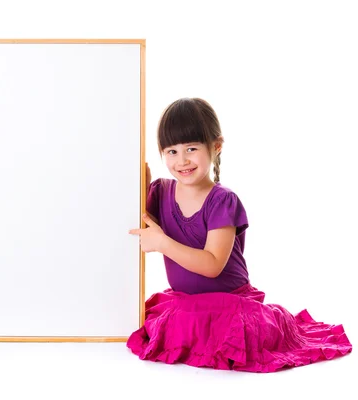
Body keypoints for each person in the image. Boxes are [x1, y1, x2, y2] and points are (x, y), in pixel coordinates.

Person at [128, 97, 352, 372]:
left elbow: (212, 265)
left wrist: (162, 243)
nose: (182, 160)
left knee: (216, 328)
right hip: (185, 301)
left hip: (230, 303)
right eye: (171, 151)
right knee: (172, 319)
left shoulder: (222, 201)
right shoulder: (160, 192)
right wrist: (136, 179)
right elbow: (132, 218)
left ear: (216, 146)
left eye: (191, 148)